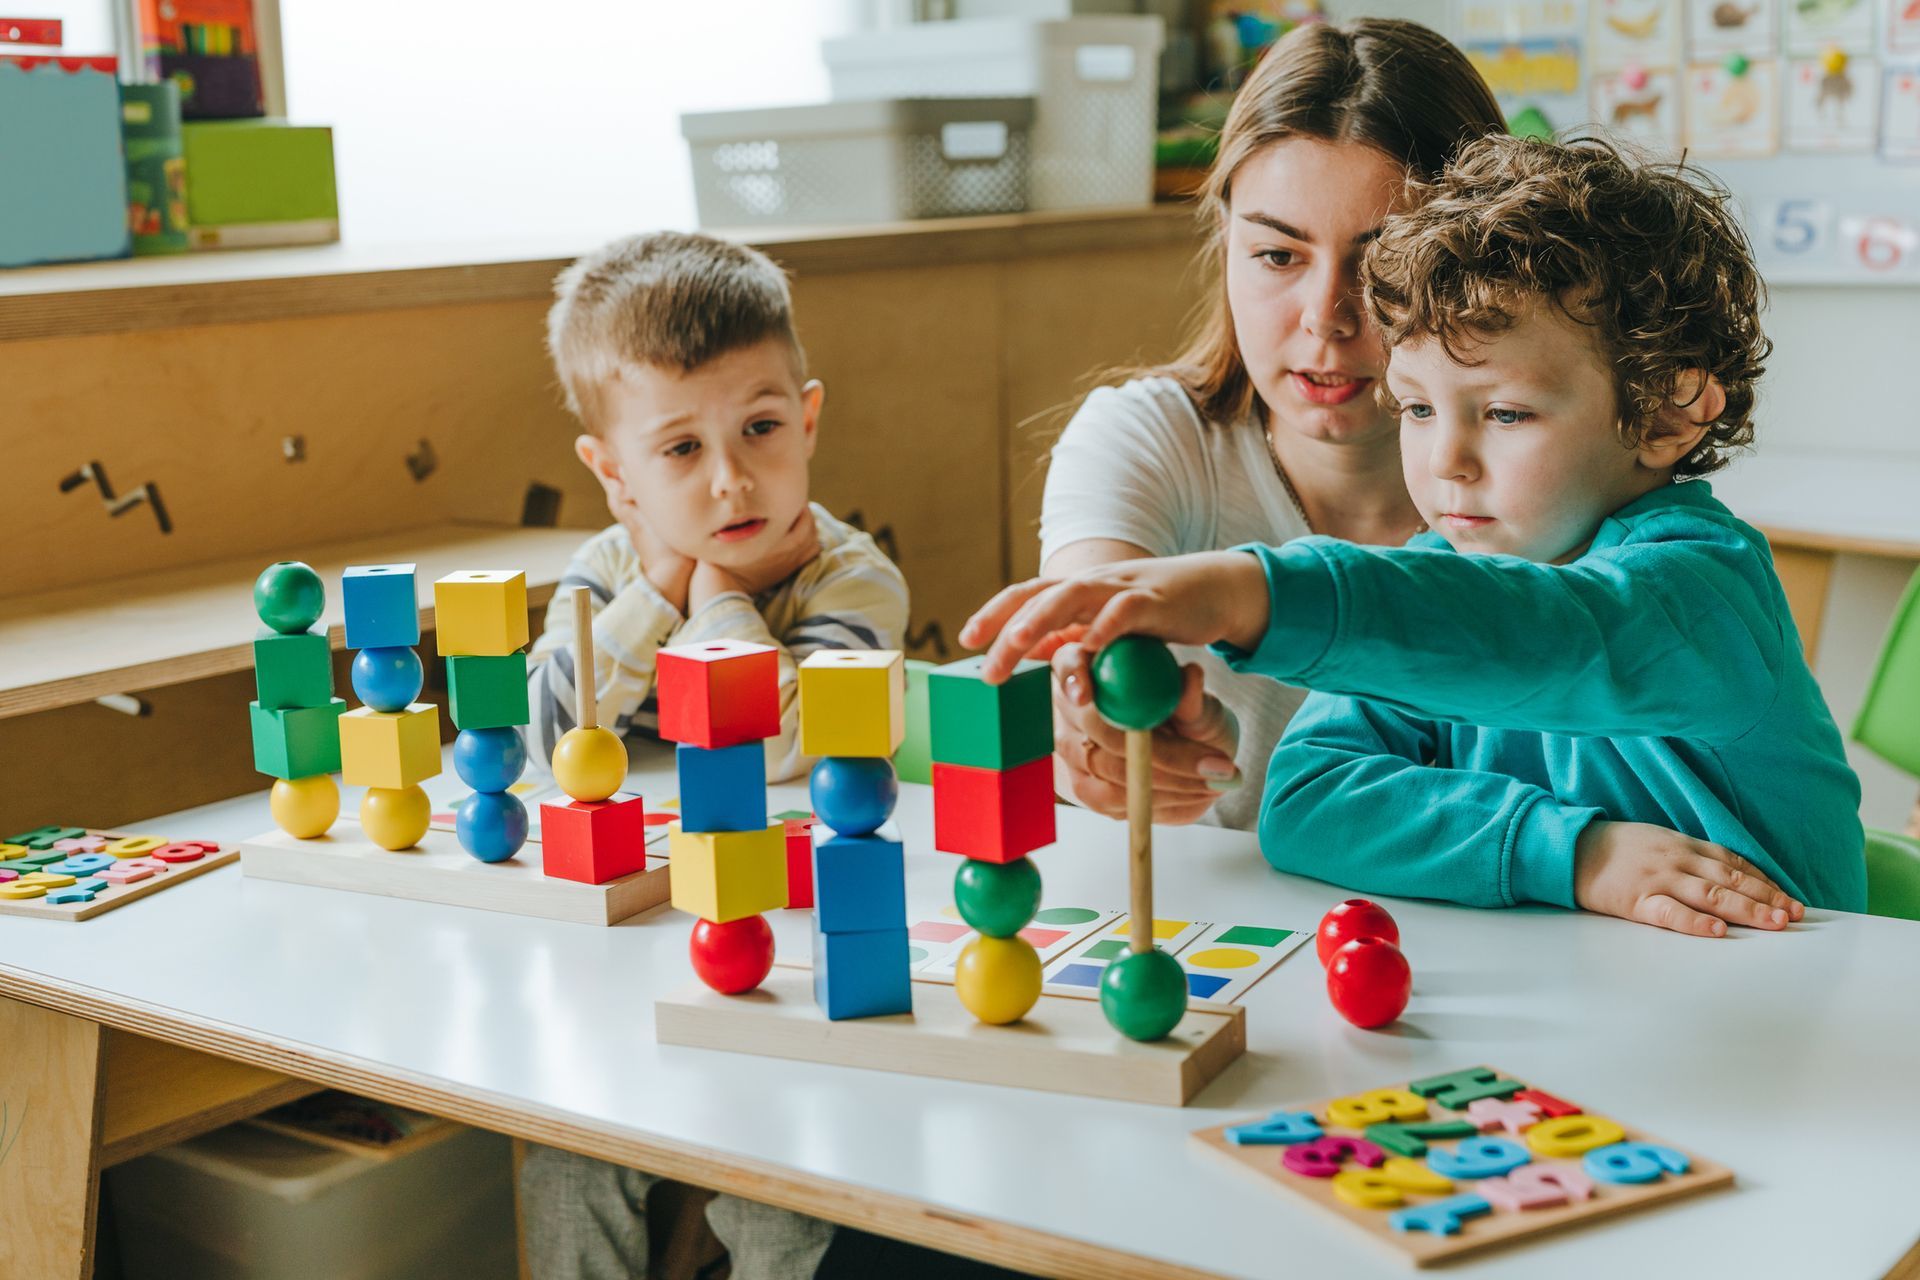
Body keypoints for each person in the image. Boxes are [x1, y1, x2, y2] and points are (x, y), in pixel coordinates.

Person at [967, 135, 1866, 932]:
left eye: (1507, 414)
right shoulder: (1442, 568)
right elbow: (1307, 797)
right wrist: (1572, 855)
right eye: (1417, 408)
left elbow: (1549, 636)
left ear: (1669, 413)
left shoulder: (1705, 593)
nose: (1448, 462)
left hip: (1797, 1036)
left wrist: (1260, 592)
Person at [519, 229, 908, 1279]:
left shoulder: (848, 578)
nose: (734, 482)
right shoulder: (604, 574)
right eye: (682, 450)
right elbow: (547, 734)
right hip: (631, 941)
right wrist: (654, 595)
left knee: (775, 1190)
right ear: (614, 475)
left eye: (762, 427)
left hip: (789, 947)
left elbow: (789, 745)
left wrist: (720, 596)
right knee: (566, 1149)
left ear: (809, 417)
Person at [1037, 19, 1505, 829]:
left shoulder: (1547, 482)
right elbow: (1089, 622)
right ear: (1225, 240)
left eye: (1381, 261)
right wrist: (1095, 721)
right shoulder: (1148, 438)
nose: (1326, 319)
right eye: (1279, 256)